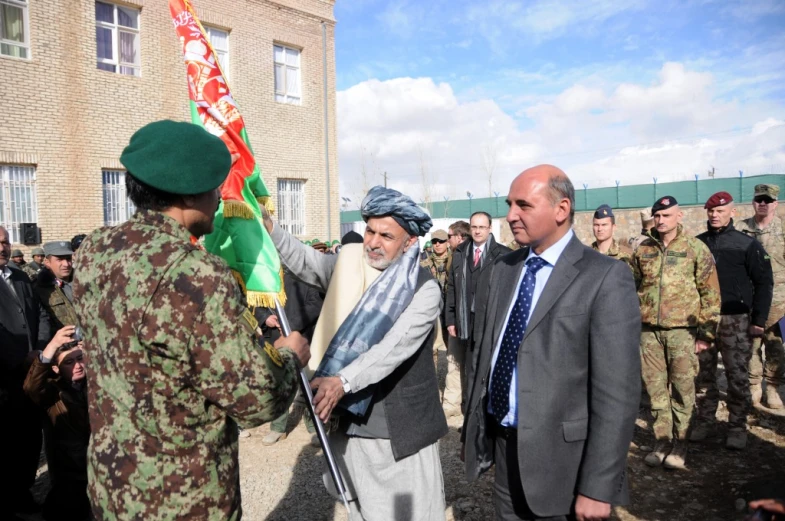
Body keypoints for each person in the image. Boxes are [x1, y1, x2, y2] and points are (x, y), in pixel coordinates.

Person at [71, 120, 309, 520]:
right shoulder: (195, 272)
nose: (220, 197)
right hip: (181, 497)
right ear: (187, 191)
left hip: (112, 484)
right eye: (215, 186)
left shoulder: (96, 250)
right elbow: (256, 400)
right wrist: (289, 357)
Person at [463, 165, 641, 521]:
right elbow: (487, 355)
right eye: (509, 204)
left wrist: (597, 486)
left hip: (564, 466)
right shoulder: (504, 269)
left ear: (561, 209)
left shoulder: (604, 277)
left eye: (523, 205)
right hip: (504, 448)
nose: (511, 215)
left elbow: (616, 394)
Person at [264, 185, 448, 521]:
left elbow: (393, 348)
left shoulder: (424, 288)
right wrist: (269, 226)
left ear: (409, 242)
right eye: (370, 231)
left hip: (399, 430)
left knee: (408, 514)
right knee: (359, 508)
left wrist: (342, 382)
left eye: (386, 236)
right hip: (347, 423)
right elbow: (306, 261)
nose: (374, 242)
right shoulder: (348, 265)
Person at [631, 195, 721, 469]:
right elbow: (633, 288)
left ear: (679, 217)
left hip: (683, 332)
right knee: (656, 391)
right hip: (649, 333)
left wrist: (706, 334)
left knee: (683, 389)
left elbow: (711, 293)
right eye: (657, 216)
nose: (661, 220)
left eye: (666, 215)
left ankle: (681, 445)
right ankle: (661, 442)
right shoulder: (643, 249)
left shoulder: (696, 248)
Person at [693, 192, 773, 449]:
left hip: (736, 319)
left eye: (720, 211)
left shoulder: (746, 244)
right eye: (711, 211)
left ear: (732, 212)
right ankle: (705, 421)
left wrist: (758, 319)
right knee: (703, 375)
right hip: (705, 320)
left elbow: (764, 282)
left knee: (737, 375)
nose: (715, 215)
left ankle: (737, 426)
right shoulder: (697, 244)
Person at [0, 225, 50, 519]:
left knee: (30, 439)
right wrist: (20, 357)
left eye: (5, 242)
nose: (3, 248)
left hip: (32, 371)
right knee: (7, 442)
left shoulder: (19, 277)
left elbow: (39, 313)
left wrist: (41, 351)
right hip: (5, 378)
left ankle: (23, 492)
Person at [445, 212, 510, 416]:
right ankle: (473, 416)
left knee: (490, 368)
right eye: (474, 227)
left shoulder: (504, 255)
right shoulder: (460, 253)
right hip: (467, 322)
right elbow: (452, 288)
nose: (478, 231)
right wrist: (450, 318)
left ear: (490, 228)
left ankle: (491, 411)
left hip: (491, 321)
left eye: (482, 227)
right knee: (471, 369)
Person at [24, 325, 91, 521]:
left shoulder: (96, 382)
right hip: (71, 476)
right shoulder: (52, 393)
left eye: (80, 358)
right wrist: (51, 347)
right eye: (69, 362)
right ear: (56, 368)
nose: (77, 365)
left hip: (101, 467)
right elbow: (31, 387)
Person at [259, 267, 325, 447]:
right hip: (276, 339)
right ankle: (278, 428)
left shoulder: (307, 275)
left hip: (303, 338)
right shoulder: (267, 276)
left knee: (309, 385)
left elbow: (316, 304)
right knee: (278, 383)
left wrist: (290, 324)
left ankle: (315, 427)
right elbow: (256, 304)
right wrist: (266, 318)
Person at [737, 184, 785, 409]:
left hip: (780, 298)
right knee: (751, 343)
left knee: (775, 344)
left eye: (767, 200)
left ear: (775, 203)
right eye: (759, 200)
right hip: (750, 297)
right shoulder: (741, 228)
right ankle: (754, 385)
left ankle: (773, 387)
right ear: (753, 202)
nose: (763, 204)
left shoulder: (783, 227)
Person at [36, 241, 79, 331]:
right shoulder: (39, 289)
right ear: (47, 262)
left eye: (68, 259)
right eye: (59, 260)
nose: (66, 264)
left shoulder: (82, 281)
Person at [590, 204, 633, 269]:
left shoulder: (626, 254)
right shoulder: (586, 254)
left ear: (613, 227)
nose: (599, 229)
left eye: (604, 225)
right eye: (596, 225)